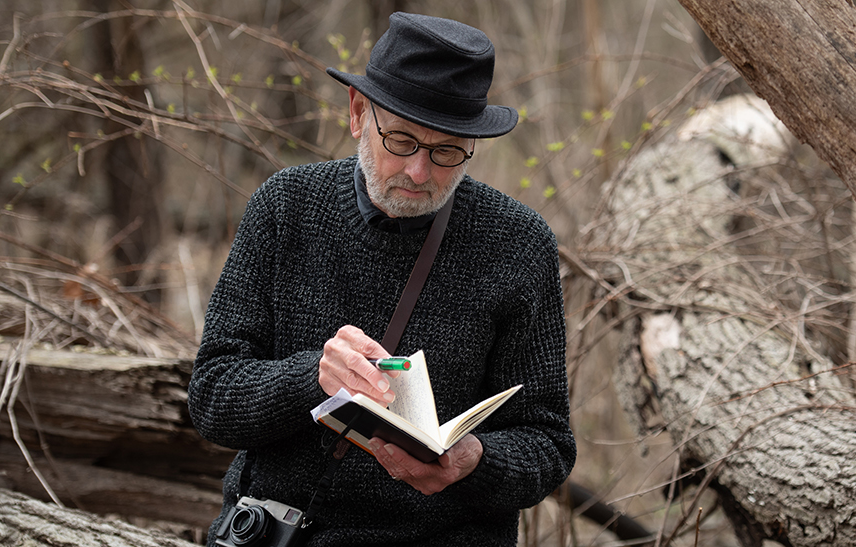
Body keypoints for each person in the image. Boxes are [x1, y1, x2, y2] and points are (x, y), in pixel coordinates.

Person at [188, 12, 573, 545]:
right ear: (357, 113)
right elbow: (212, 398)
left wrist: (474, 460)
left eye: (446, 152)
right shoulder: (285, 207)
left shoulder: (518, 244)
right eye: (402, 141)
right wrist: (314, 378)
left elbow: (548, 445)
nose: (420, 172)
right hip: (279, 533)